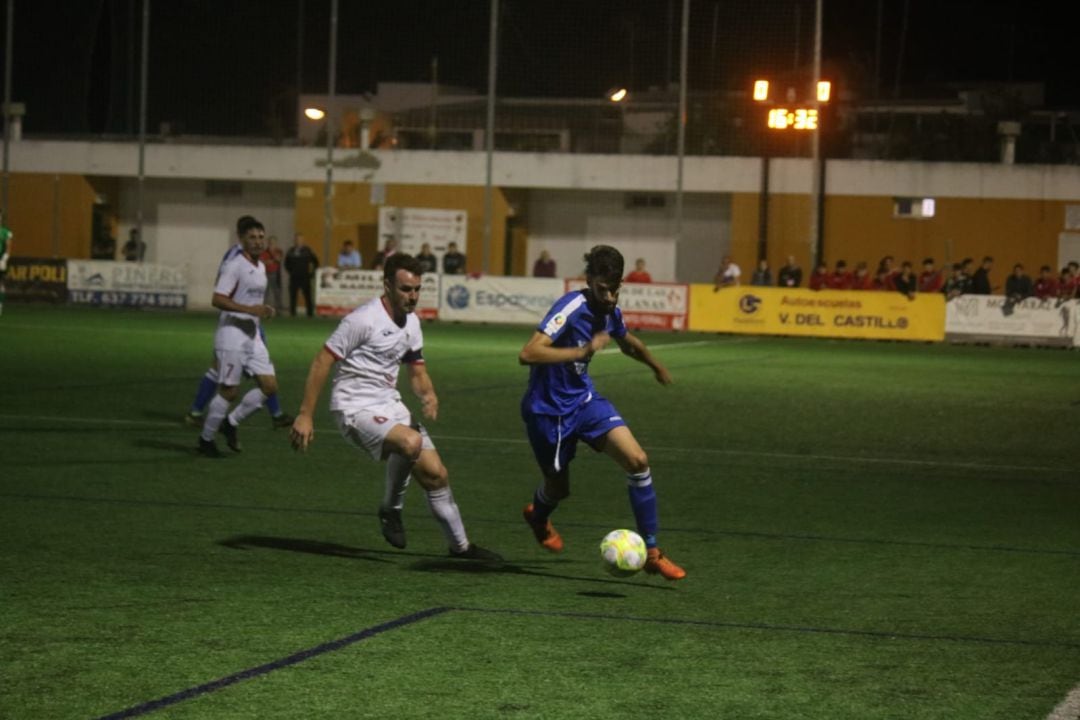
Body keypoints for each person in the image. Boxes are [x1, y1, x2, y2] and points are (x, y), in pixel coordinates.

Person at [289, 253, 501, 562]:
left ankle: (461, 549)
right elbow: (323, 360)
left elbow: (416, 371)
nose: (412, 296)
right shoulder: (362, 320)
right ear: (387, 285)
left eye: (417, 289)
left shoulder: (413, 323)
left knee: (436, 474)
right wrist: (305, 414)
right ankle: (391, 508)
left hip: (389, 403)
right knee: (410, 442)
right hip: (354, 406)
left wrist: (428, 393)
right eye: (405, 289)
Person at [517, 245, 685, 581]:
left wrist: (655, 365)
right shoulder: (571, 306)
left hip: (584, 402)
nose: (609, 297)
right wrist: (580, 351)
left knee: (637, 460)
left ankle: (652, 552)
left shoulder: (610, 311)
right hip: (548, 413)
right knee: (558, 489)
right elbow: (528, 353)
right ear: (589, 280)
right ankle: (538, 514)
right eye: (603, 289)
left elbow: (628, 342)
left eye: (615, 289)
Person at [185, 217, 293, 430]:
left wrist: (260, 309)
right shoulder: (235, 258)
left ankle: (273, 413)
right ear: (242, 236)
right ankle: (203, 421)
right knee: (225, 378)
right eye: (252, 236)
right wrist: (249, 309)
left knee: (260, 377)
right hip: (235, 324)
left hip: (250, 323)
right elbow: (221, 293)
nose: (257, 241)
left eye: (260, 236)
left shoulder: (256, 261)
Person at [285, 233, 319, 317]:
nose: (298, 241)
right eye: (297, 239)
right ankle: (292, 314)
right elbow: (286, 263)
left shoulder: (307, 250)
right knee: (293, 296)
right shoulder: (291, 251)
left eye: (300, 239)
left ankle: (310, 314)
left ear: (303, 241)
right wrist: (291, 271)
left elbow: (316, 262)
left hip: (305, 277)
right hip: (294, 277)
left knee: (308, 296)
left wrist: (312, 273)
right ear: (294, 240)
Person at [261, 235, 284, 313]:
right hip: (266, 274)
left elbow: (278, 259)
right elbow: (263, 262)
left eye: (273, 243)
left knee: (277, 292)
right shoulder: (264, 252)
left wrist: (270, 261)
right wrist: (271, 261)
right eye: (270, 243)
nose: (272, 244)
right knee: (265, 292)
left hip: (275, 274)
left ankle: (279, 310)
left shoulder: (279, 251)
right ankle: (263, 309)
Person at [0, 211, 12, 316]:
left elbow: (8, 246)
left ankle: (0, 305)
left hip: (0, 260)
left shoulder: (5, 232)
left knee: (1, 283)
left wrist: (4, 258)